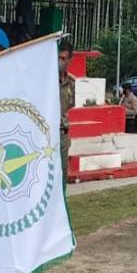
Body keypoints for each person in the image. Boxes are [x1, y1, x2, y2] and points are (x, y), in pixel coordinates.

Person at [58, 40, 76, 174]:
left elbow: (69, 105)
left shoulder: (71, 83)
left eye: (63, 58)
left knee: (62, 175)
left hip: (62, 134)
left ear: (70, 60)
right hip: (47, 134)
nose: (60, 61)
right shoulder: (48, 79)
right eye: (58, 57)